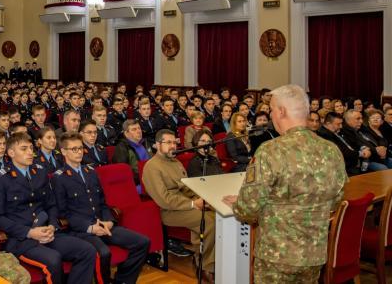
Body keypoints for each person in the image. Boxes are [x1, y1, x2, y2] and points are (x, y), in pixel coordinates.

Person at [223, 84, 347, 284]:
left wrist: (239, 204)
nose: (271, 115)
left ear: (281, 111)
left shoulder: (271, 151)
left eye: (271, 110)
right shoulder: (331, 150)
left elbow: (249, 209)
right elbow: (336, 200)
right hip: (314, 253)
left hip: (277, 255)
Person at [0, 132, 97, 284]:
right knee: (53, 259)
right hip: (22, 239)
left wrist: (52, 225)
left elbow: (51, 205)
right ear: (11, 153)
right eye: (24, 149)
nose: (30, 152)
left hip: (47, 232)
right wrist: (30, 232)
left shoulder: (39, 172)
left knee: (87, 250)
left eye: (31, 148)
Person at [53, 132, 150, 284]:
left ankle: (123, 280)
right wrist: (90, 228)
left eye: (80, 148)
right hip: (82, 231)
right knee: (103, 253)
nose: (79, 152)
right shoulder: (59, 178)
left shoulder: (90, 172)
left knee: (142, 242)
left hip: (103, 225)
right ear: (64, 151)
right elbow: (63, 214)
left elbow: (102, 202)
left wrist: (109, 221)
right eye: (74, 149)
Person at [142, 129, 215, 281]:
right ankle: (206, 266)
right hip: (168, 211)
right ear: (157, 145)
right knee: (208, 222)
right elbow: (164, 199)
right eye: (168, 143)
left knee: (217, 215)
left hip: (186, 205)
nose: (173, 146)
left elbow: (186, 188)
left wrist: (201, 199)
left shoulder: (175, 162)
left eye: (174, 142)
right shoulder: (151, 167)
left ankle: (202, 257)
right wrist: (194, 203)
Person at [112, 120, 150, 186]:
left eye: (139, 128)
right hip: (137, 183)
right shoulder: (121, 148)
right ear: (126, 133)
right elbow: (123, 172)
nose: (138, 131)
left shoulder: (145, 142)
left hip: (151, 177)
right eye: (134, 129)